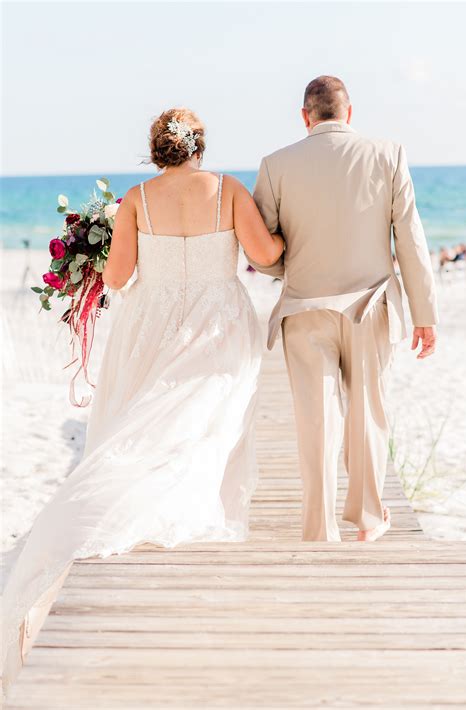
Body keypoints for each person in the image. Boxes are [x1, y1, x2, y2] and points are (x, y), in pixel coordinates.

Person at [1, 107, 284, 698]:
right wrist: (290, 236)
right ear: (199, 147)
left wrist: (97, 247)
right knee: (206, 418)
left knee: (150, 418)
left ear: (157, 150)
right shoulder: (229, 189)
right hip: (217, 318)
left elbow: (122, 276)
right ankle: (183, 499)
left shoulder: (136, 198)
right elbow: (263, 256)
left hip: (153, 319)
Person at [246, 75, 438, 543]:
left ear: (305, 116)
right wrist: (424, 313)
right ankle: (369, 518)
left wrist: (289, 270)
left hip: (304, 308)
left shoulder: (275, 165)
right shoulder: (388, 154)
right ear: (348, 113)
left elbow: (259, 251)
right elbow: (409, 240)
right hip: (370, 308)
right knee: (368, 412)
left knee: (316, 419)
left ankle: (319, 526)